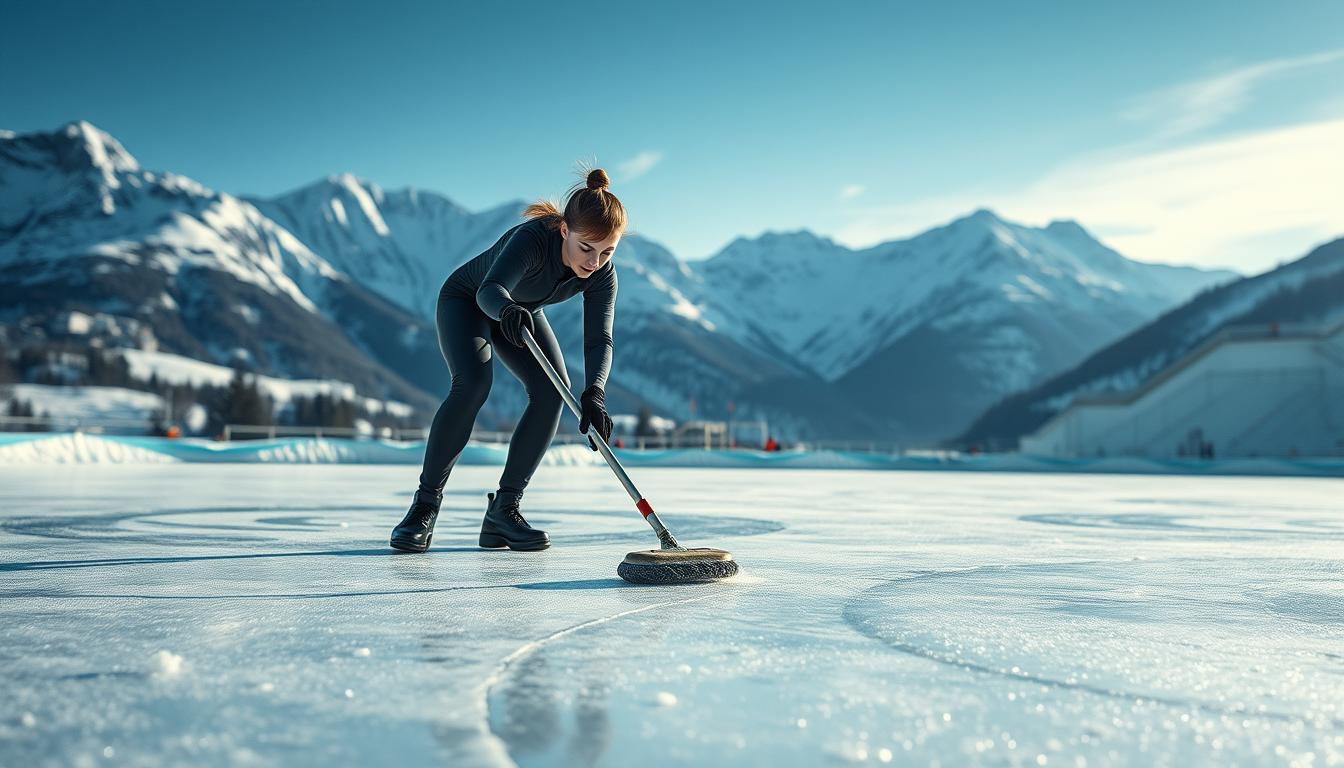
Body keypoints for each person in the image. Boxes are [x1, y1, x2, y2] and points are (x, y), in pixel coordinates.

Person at [390, 168, 621, 553]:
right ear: (565, 230)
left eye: (607, 252)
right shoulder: (532, 238)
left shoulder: (602, 274)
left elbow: (600, 339)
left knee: (552, 394)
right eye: (586, 249)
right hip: (471, 301)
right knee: (473, 384)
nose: (594, 262)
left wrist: (595, 391)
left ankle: (504, 511)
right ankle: (424, 507)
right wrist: (508, 310)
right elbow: (490, 289)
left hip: (521, 312)